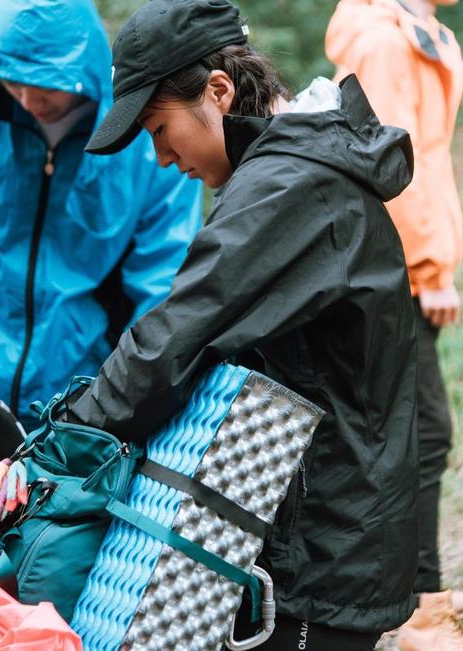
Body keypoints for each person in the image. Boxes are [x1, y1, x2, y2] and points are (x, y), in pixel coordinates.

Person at [65, 0, 421, 647]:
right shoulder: (288, 170)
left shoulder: (288, 186)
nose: (161, 157)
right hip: (319, 521)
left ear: (219, 91)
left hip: (327, 542)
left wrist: (69, 439)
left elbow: (177, 332)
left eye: (157, 127)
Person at [0, 0, 202, 429]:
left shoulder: (141, 133)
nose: (26, 98)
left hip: (81, 399)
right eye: (13, 81)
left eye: (44, 84)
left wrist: (126, 400)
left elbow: (164, 284)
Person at [326, 1, 463, 648]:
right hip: (400, 270)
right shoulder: (385, 44)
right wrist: (429, 266)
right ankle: (417, 605)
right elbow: (395, 167)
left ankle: (416, 588)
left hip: (403, 267)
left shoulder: (412, 32)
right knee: (422, 435)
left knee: (409, 431)